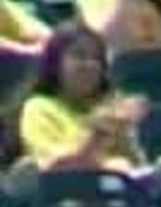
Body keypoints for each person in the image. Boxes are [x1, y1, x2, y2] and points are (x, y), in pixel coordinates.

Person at [15, 24, 148, 175]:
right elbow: (56, 169)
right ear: (55, 63)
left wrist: (124, 134)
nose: (90, 65)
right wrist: (99, 134)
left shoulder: (108, 110)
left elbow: (138, 168)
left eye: (96, 58)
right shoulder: (38, 108)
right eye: (79, 56)